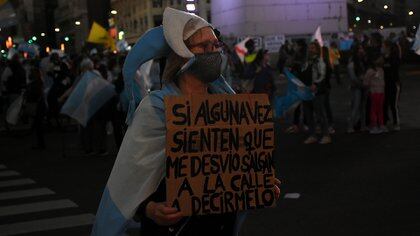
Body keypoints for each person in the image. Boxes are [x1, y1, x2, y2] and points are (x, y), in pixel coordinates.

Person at [92, 8, 280, 236]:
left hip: (219, 226)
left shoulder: (227, 104)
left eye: (215, 46)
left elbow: (239, 164)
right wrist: (150, 208)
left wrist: (259, 185)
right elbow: (130, 175)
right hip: (173, 227)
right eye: (203, 47)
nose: (213, 52)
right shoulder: (156, 108)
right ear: (181, 56)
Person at [301, 41, 331, 144]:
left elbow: (322, 75)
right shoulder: (306, 62)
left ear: (317, 50)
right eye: (310, 48)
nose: (310, 50)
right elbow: (303, 74)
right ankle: (312, 135)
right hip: (306, 91)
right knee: (308, 115)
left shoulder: (320, 61)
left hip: (317, 92)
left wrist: (316, 85)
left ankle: (326, 135)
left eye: (313, 48)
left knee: (320, 114)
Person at [347, 44, 368, 133]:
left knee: (362, 107)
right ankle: (351, 126)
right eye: (359, 48)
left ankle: (362, 126)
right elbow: (353, 77)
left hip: (361, 86)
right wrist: (361, 83)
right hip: (357, 87)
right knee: (356, 107)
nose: (361, 50)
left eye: (362, 48)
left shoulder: (363, 61)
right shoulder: (353, 62)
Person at [363, 56, 386, 134]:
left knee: (374, 110)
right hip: (381, 92)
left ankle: (375, 126)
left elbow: (365, 82)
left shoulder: (370, 71)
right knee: (379, 109)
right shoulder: (381, 70)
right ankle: (380, 125)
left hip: (374, 92)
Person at [382, 40, 401, 131]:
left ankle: (396, 123)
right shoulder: (384, 58)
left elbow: (394, 69)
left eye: (384, 46)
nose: (382, 48)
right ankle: (385, 122)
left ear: (388, 47)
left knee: (393, 104)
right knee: (385, 103)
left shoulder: (394, 57)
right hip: (385, 83)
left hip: (393, 83)